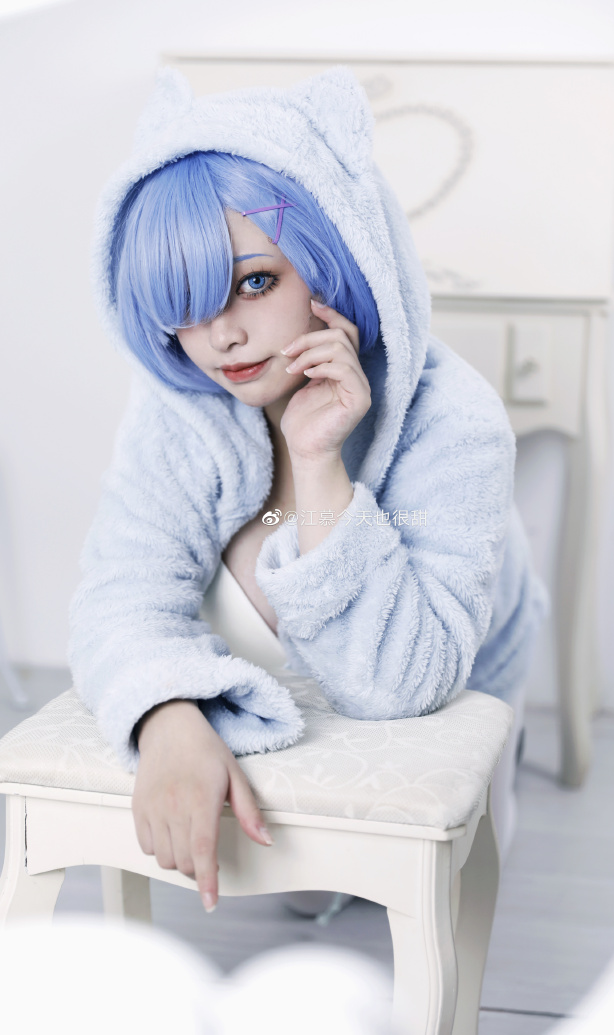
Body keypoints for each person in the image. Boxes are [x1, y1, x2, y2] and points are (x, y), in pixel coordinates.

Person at [68, 65, 549, 915]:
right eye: (187, 302)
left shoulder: (457, 421)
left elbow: (405, 685)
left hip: (458, 661)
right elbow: (120, 590)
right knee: (301, 888)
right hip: (303, 674)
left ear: (335, 258)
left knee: (449, 873)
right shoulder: (180, 408)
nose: (222, 335)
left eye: (256, 280)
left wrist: (320, 462)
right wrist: (166, 710)